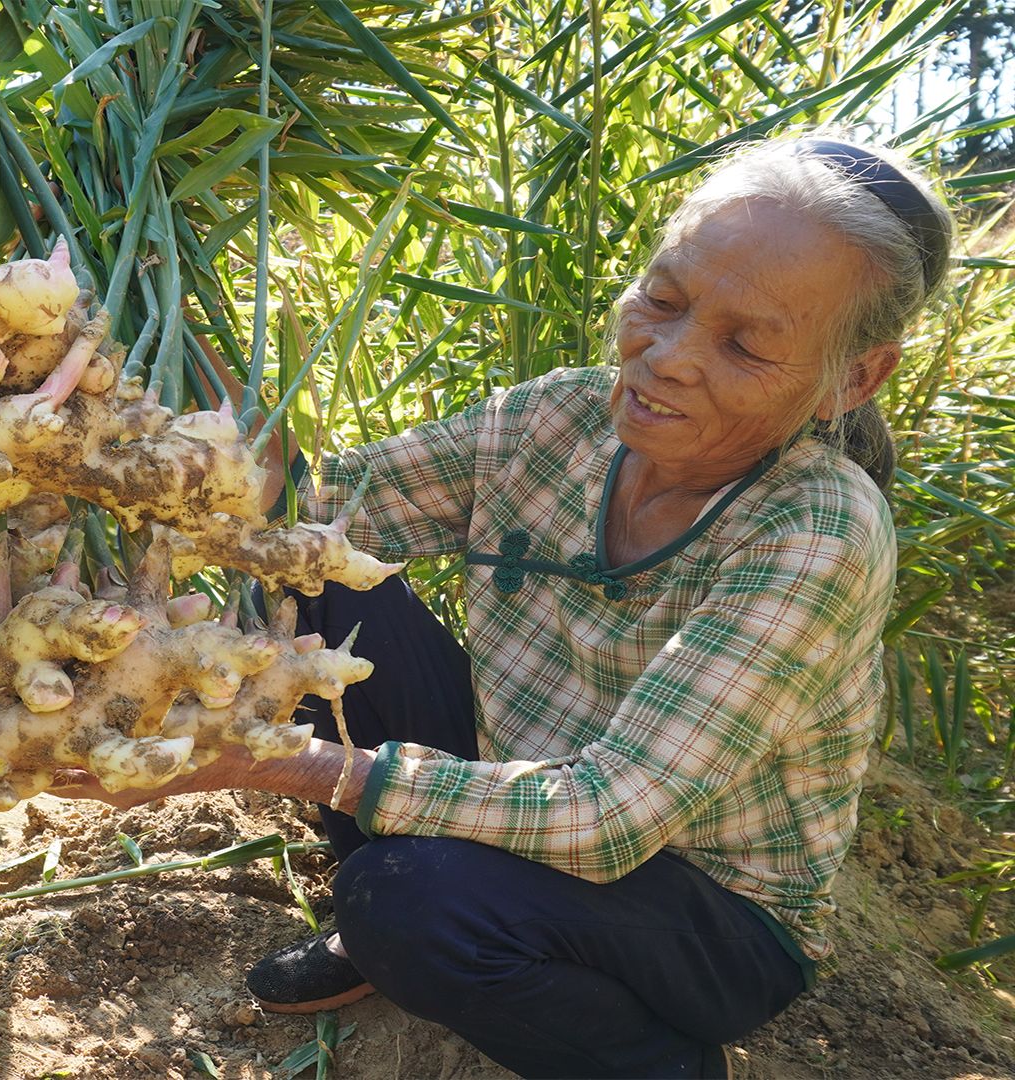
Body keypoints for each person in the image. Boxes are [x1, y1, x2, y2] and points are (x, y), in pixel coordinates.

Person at [52, 133, 954, 1079]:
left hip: (699, 906)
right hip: (525, 781)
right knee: (315, 575)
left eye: (745, 344)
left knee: (405, 901)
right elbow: (316, 512)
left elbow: (610, 816)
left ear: (852, 379)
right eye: (665, 300)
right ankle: (399, 917)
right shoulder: (559, 419)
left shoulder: (819, 531)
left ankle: (654, 1063)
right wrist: (149, 336)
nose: (669, 357)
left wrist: (262, 762)